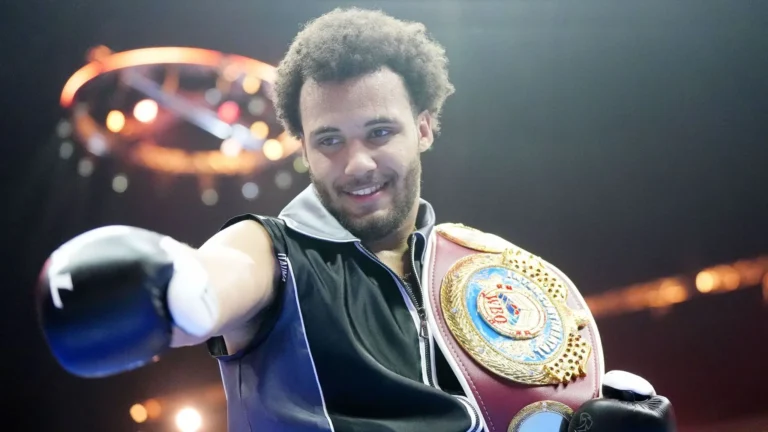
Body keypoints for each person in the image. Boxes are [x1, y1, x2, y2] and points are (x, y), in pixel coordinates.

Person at [36, 8, 675, 432]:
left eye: (378, 132)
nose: (357, 163)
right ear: (305, 147)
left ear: (424, 127)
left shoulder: (482, 267)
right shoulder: (274, 249)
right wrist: (167, 289)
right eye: (330, 140)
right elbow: (213, 281)